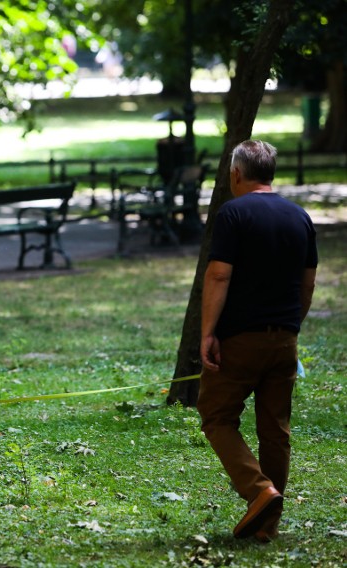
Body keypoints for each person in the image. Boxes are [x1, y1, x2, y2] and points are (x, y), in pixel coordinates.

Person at [197, 140, 317, 543]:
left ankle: (259, 491)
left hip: (239, 339)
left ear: (236, 174)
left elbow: (218, 275)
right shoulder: (300, 216)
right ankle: (267, 526)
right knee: (275, 428)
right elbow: (308, 282)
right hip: (285, 339)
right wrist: (289, 327)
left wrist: (208, 332)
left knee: (216, 415)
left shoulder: (233, 213)